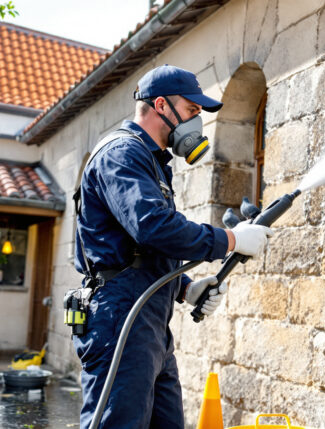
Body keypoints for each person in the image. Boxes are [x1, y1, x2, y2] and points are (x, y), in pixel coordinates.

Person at [73, 65, 272, 429]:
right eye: (192, 110)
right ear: (161, 105)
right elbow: (153, 228)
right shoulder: (122, 154)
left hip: (149, 321)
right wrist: (231, 239)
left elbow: (141, 250)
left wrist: (185, 289)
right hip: (121, 320)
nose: (197, 121)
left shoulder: (151, 162)